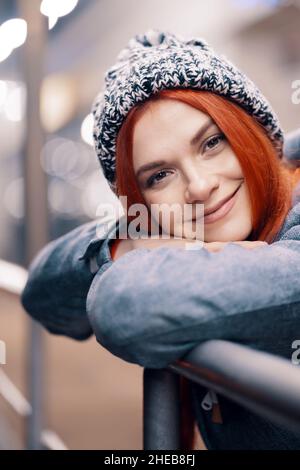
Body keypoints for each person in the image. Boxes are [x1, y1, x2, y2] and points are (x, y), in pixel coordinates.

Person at [21, 29, 300, 450]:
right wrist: (128, 244)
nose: (200, 186)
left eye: (212, 142)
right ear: (141, 202)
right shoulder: (163, 230)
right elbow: (42, 291)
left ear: (254, 131)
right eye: (160, 175)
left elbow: (126, 306)